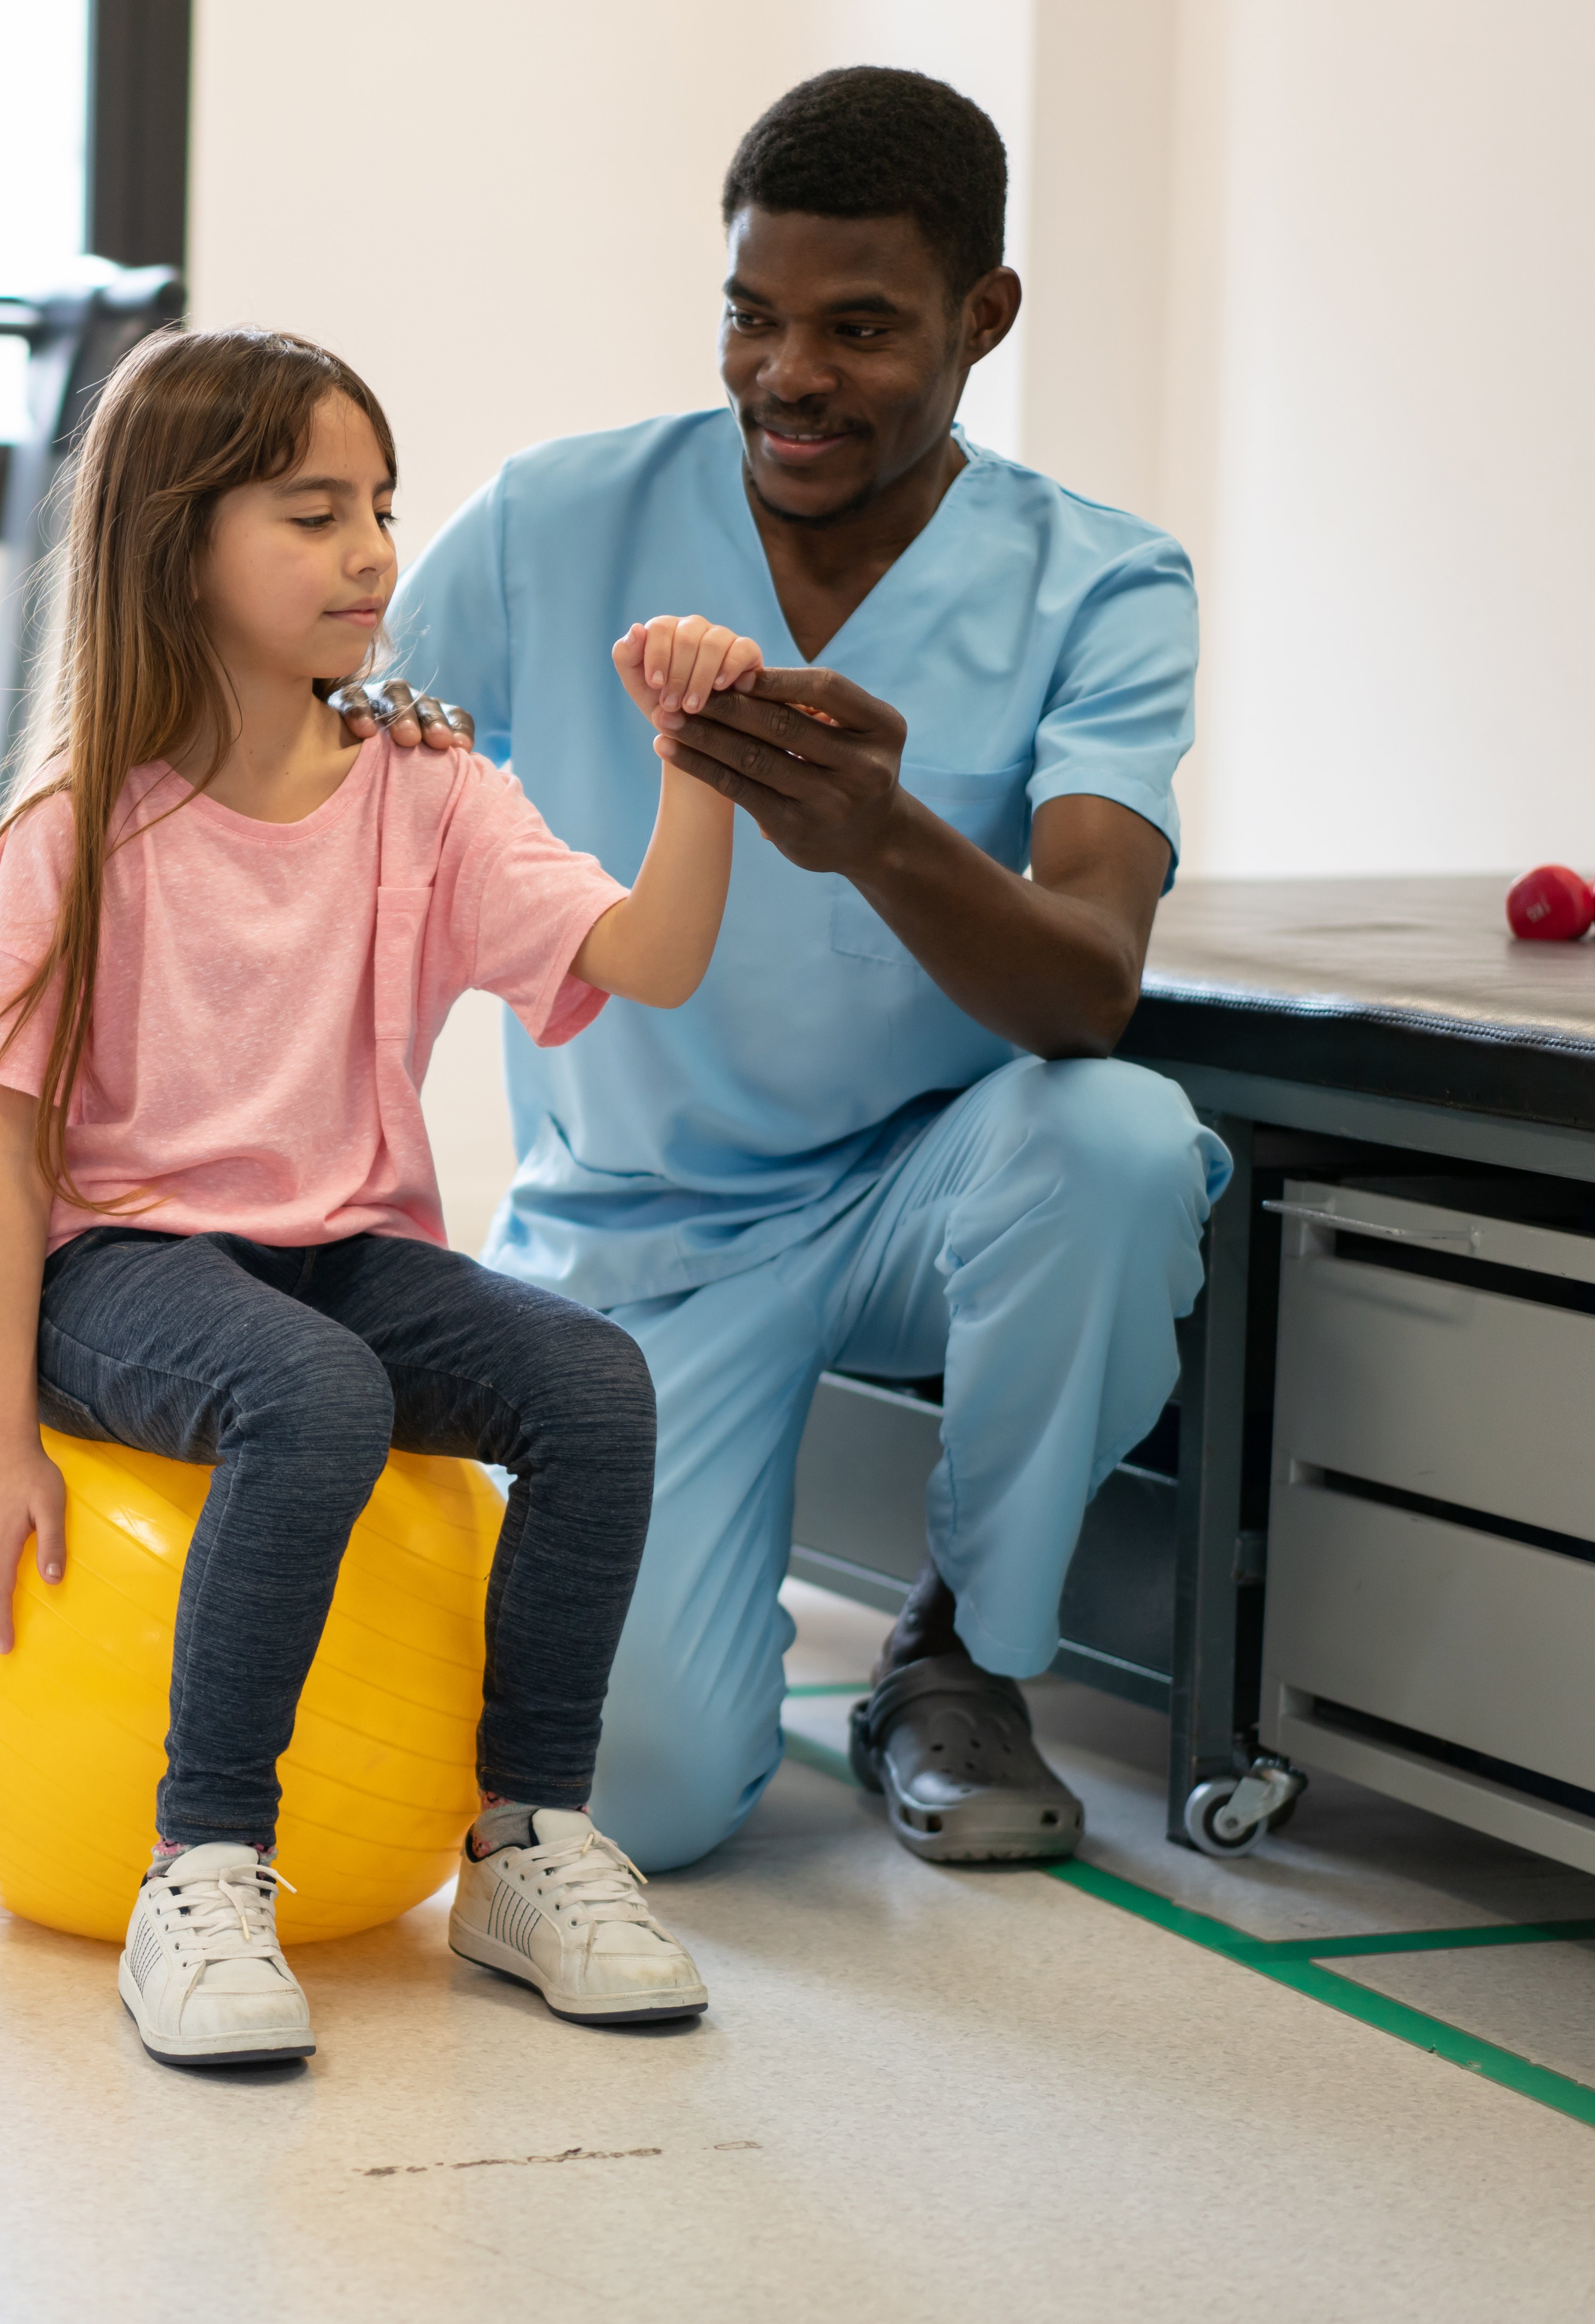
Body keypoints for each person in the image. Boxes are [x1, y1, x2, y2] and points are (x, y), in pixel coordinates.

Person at [389, 65, 1233, 1870]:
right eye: (752, 318)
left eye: (859, 329)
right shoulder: (550, 523)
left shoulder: (1100, 584)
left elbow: (1085, 984)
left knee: (1118, 1140)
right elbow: (319, 791)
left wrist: (882, 831)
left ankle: (958, 1657)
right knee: (644, 1804)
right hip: (642, 1235)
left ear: (980, 318)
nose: (790, 374)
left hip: (919, 1200)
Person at [0, 324, 752, 2068]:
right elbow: (7, 1163)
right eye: (312, 513)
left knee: (590, 1382)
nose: (373, 551)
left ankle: (526, 1839)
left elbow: (651, 959)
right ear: (178, 543)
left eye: (378, 504)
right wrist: (4, 1443)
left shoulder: (427, 785)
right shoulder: (72, 832)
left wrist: (697, 765)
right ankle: (203, 1866)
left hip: (340, 1250)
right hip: (117, 1266)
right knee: (312, 1396)